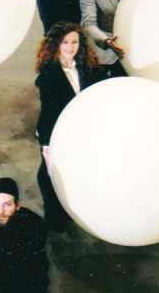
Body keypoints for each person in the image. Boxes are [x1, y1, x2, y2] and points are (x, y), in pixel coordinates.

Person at [34, 22, 108, 231]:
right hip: (56, 131)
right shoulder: (48, 75)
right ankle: (53, 214)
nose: (70, 47)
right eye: (65, 42)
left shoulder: (88, 67)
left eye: (74, 42)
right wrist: (46, 147)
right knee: (50, 173)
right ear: (56, 44)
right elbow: (49, 113)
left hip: (82, 130)